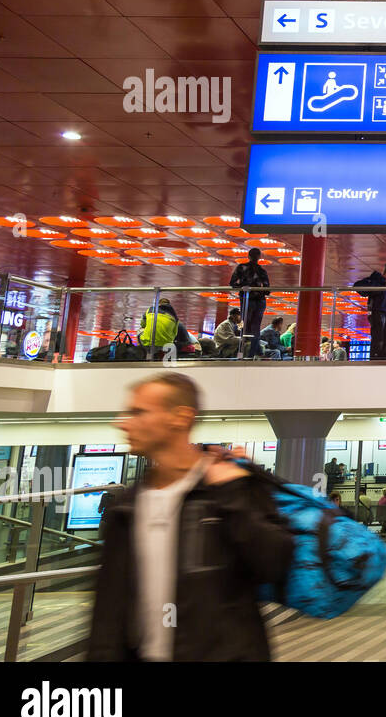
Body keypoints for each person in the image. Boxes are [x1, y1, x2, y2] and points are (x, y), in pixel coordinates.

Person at [89, 372, 294, 661]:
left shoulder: (229, 489)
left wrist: (233, 494)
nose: (121, 422)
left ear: (180, 417)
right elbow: (107, 615)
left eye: (138, 412)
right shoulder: (127, 508)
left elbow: (276, 564)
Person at [229, 247, 270, 359]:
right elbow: (267, 290)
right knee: (255, 327)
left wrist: (244, 288)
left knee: (244, 324)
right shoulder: (261, 271)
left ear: (248, 256)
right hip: (259, 300)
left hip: (247, 299)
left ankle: (245, 353)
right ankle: (253, 354)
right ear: (259, 257)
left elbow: (232, 283)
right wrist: (257, 289)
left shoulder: (241, 268)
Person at [355, 263, 386, 361]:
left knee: (385, 338)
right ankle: (376, 359)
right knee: (378, 337)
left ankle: (382, 359)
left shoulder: (383, 283)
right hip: (377, 311)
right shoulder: (378, 281)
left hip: (383, 312)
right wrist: (383, 282)